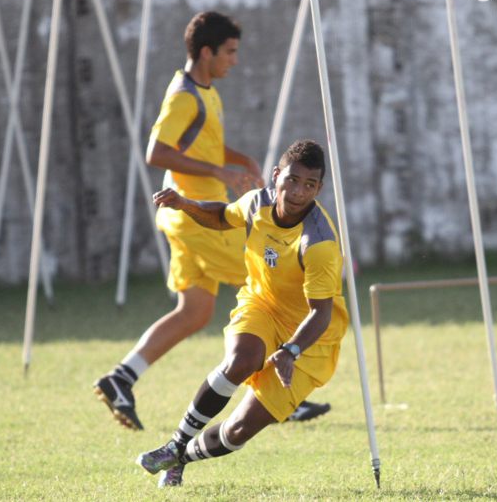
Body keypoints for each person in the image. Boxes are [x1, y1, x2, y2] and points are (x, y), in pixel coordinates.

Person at [93, 12, 331, 430]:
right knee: (270, 285)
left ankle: (120, 378)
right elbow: (156, 152)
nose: (234, 61)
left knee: (195, 313)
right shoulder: (184, 96)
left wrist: (243, 160)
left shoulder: (206, 92)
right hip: (198, 218)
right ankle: (283, 393)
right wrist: (221, 175)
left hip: (186, 219)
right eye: (230, 52)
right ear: (207, 53)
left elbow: (203, 146)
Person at [136, 139, 349, 487]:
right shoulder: (257, 202)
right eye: (292, 180)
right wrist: (185, 204)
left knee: (238, 430)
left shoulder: (319, 243)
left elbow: (320, 314)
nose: (298, 192)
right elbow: (222, 216)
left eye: (310, 185)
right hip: (262, 305)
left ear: (319, 189)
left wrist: (290, 351)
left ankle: (182, 457)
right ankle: (174, 445)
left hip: (311, 341)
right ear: (277, 175)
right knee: (242, 359)